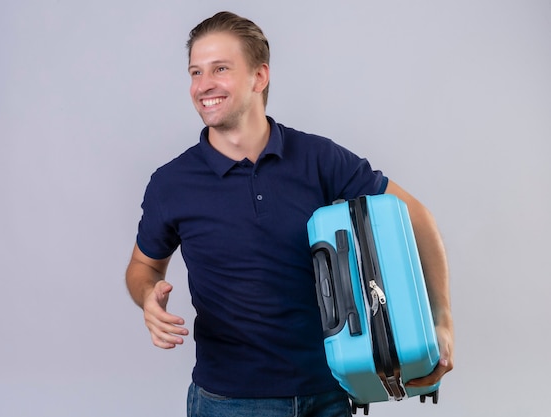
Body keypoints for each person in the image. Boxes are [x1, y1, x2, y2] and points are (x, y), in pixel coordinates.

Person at [126, 11, 454, 417]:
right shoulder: (171, 183)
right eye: (195, 72)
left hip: (330, 393)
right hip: (228, 401)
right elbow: (143, 266)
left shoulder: (317, 158)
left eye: (220, 69)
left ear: (259, 77)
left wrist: (441, 319)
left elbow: (417, 217)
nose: (203, 85)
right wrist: (147, 297)